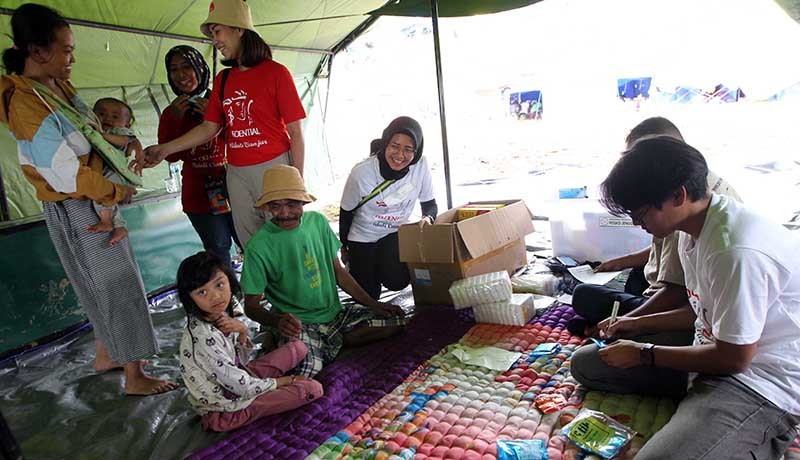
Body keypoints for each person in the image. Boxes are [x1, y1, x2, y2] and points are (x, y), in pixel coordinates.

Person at [574, 136, 800, 459]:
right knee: (586, 365)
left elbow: (734, 358)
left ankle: (758, 434)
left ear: (679, 195)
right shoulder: (690, 229)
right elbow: (697, 307)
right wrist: (633, 325)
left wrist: (645, 353)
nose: (639, 225)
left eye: (641, 215)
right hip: (710, 351)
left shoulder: (734, 251)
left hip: (759, 383)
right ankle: (704, 419)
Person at [0, 4, 176, 395]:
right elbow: (64, 173)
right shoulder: (27, 103)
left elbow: (92, 131)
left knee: (98, 285)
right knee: (117, 283)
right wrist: (115, 191)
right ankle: (135, 375)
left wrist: (126, 143)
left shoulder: (54, 88)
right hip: (80, 201)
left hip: (88, 197)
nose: (72, 59)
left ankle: (107, 353)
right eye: (66, 50)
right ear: (38, 51)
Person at [142, 0, 306, 247]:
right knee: (252, 245)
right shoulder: (224, 79)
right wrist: (165, 148)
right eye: (212, 34)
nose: (214, 40)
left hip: (274, 167)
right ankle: (259, 287)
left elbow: (295, 133)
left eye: (217, 31)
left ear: (239, 28)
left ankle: (291, 286)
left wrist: (296, 184)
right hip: (236, 172)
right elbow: (209, 127)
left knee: (284, 240)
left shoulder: (276, 73)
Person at [567, 117, 741, 339]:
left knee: (585, 299)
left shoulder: (713, 238)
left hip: (689, 314)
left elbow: (684, 302)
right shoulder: (692, 207)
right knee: (633, 276)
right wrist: (620, 263)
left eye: (639, 215)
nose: (636, 224)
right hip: (691, 306)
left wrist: (633, 327)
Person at [240, 165, 408, 377]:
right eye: (275, 206)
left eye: (292, 204)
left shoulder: (317, 222)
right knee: (306, 374)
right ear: (267, 208)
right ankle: (317, 342)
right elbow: (251, 306)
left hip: (335, 315)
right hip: (299, 324)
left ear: (303, 202)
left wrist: (374, 304)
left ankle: (332, 341)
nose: (284, 213)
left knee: (396, 320)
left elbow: (338, 272)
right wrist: (278, 322)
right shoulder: (258, 246)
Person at [176, 251, 322, 432]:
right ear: (189, 298)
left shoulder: (218, 313)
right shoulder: (203, 337)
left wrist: (242, 330)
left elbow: (238, 363)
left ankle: (271, 385)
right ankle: (225, 419)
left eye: (220, 285)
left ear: (230, 280)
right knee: (312, 389)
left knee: (298, 347)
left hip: (238, 378)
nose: (215, 296)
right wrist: (287, 380)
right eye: (202, 292)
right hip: (226, 406)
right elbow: (241, 386)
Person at [158, 45, 239, 267]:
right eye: (174, 69)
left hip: (233, 186)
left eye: (186, 66)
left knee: (249, 240)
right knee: (218, 248)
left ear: (199, 68)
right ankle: (228, 297)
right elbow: (171, 157)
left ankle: (257, 293)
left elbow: (240, 140)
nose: (181, 74)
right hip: (199, 197)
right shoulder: (172, 112)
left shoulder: (221, 100)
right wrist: (175, 119)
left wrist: (215, 118)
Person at [339, 116, 437, 299]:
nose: (400, 156)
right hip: (363, 236)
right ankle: (359, 264)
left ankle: (379, 263)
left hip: (394, 234)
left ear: (416, 151)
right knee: (368, 296)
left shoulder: (420, 166)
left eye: (408, 149)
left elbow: (430, 205)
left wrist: (427, 219)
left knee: (397, 281)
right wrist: (344, 247)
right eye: (394, 146)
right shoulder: (362, 172)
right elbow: (346, 212)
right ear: (385, 144)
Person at [89, 97, 140, 246]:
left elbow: (124, 141)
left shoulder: (119, 132)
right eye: (102, 114)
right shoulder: (94, 129)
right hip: (107, 171)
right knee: (110, 201)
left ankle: (106, 221)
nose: (108, 119)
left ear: (127, 123)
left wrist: (102, 135)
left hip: (116, 172)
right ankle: (119, 226)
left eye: (115, 116)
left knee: (103, 193)